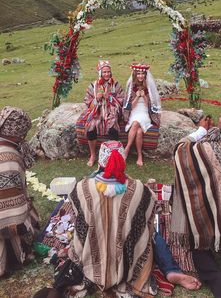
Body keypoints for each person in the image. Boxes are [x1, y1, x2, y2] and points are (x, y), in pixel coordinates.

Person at [46, 140, 200, 298]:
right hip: (128, 264)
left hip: (92, 259)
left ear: (100, 162)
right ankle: (171, 270)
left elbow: (80, 225)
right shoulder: (141, 190)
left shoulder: (81, 188)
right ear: (123, 162)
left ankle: (100, 266)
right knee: (152, 233)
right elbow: (147, 222)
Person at [170, 105, 221, 298]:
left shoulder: (208, 148)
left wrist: (200, 131)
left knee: (197, 241)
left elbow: (180, 151)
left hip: (208, 218)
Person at [0, 106, 39, 277]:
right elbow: (11, 211)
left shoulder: (8, 147)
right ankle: (12, 252)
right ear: (16, 133)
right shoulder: (9, 160)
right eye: (23, 133)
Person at [77, 60, 124, 167]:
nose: (107, 74)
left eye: (108, 72)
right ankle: (93, 155)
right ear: (100, 73)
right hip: (97, 111)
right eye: (104, 72)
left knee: (112, 125)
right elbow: (87, 101)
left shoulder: (115, 84)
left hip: (111, 110)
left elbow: (122, 100)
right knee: (91, 126)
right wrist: (96, 99)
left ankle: (113, 156)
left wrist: (110, 98)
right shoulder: (93, 86)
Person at [123, 62, 161, 166]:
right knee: (139, 132)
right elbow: (130, 106)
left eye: (142, 74)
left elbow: (150, 105)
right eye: (138, 74)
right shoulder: (132, 87)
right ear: (135, 75)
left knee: (135, 123)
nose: (140, 76)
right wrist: (137, 97)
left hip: (144, 112)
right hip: (135, 112)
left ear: (145, 75)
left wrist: (144, 96)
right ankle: (140, 155)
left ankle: (127, 149)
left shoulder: (148, 87)